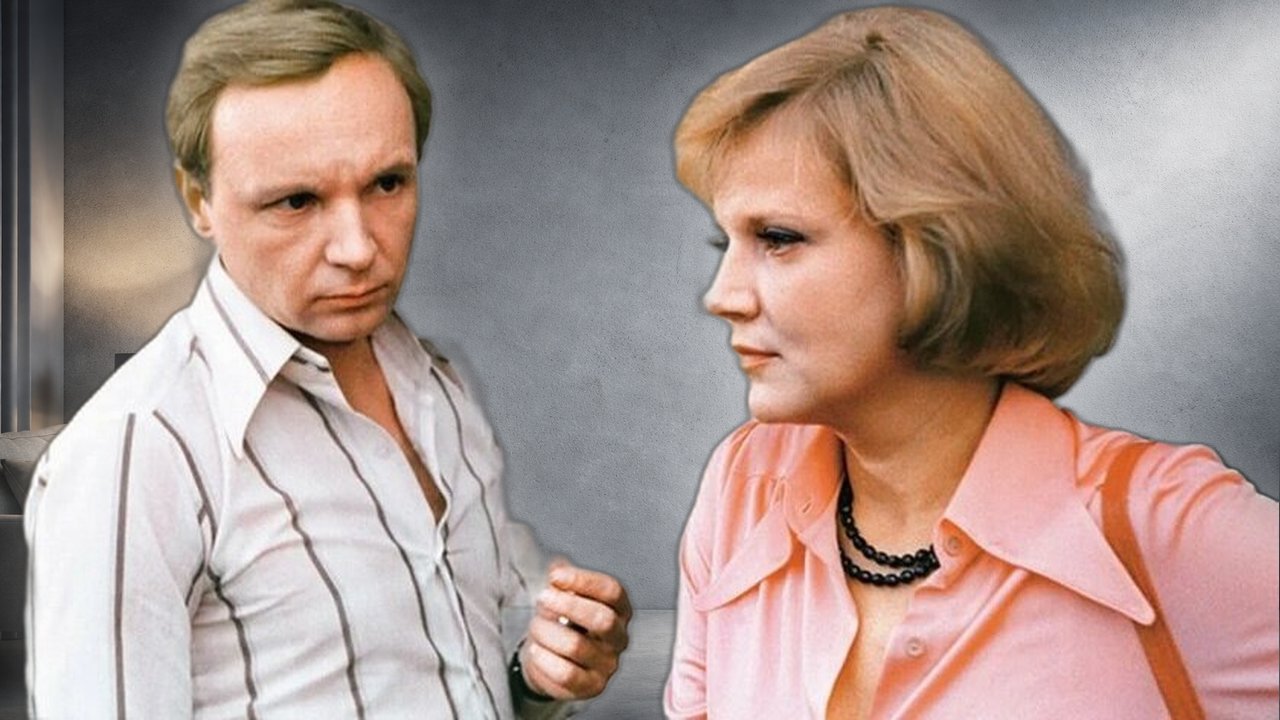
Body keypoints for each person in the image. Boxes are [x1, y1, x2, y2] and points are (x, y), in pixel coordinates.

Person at [663, 7, 1278, 719]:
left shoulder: (1172, 526)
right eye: (727, 245)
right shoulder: (744, 490)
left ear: (936, 243)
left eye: (778, 238)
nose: (722, 296)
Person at [24, 1, 629, 717]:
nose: (359, 247)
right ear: (199, 200)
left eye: (387, 184)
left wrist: (533, 681)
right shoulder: (138, 448)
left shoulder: (436, 385)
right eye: (296, 201)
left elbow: (445, 677)